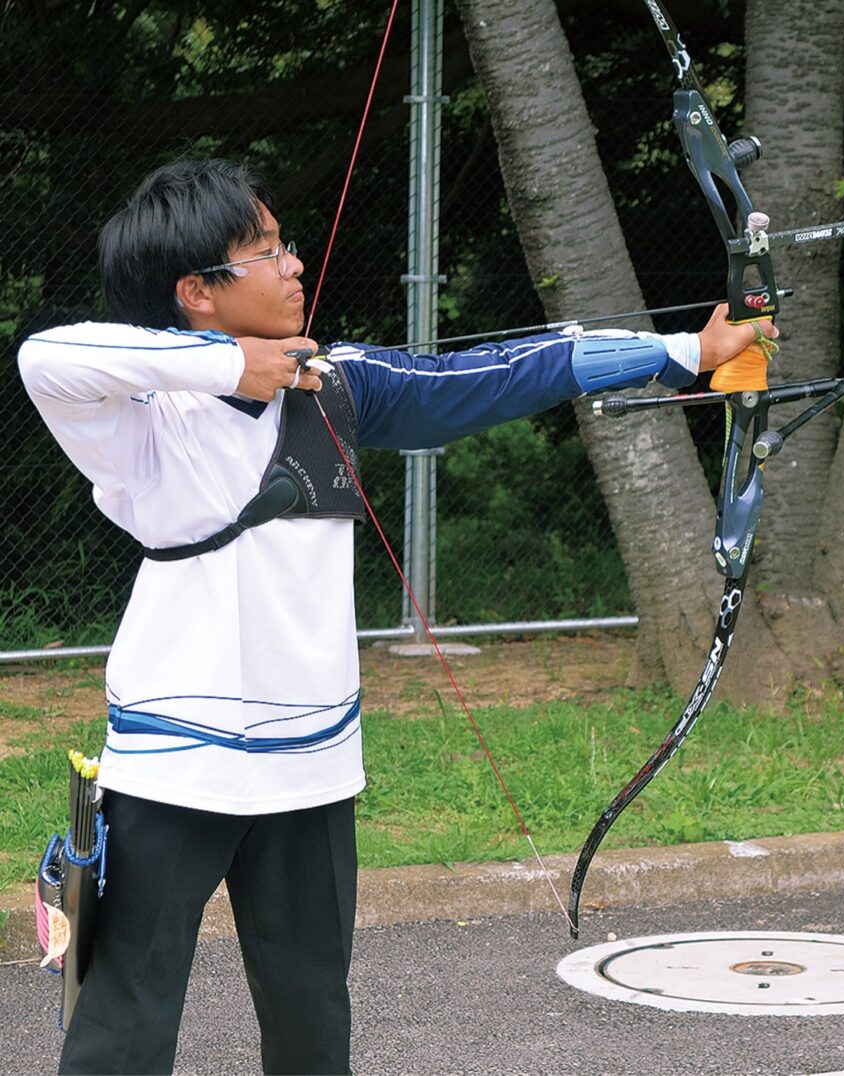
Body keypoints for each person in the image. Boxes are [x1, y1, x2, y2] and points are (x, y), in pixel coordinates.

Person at [18, 156, 777, 1076]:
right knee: (122, 1026)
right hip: (175, 767)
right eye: (264, 252)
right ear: (198, 293)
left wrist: (686, 353)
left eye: (287, 244)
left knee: (312, 1025)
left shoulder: (336, 384)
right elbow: (43, 354)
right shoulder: (138, 417)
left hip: (314, 768)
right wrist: (233, 363)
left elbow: (489, 374)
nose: (294, 264)